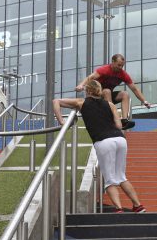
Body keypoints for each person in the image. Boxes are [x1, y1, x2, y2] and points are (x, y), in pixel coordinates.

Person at [54, 80, 146, 214]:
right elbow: (119, 125)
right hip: (120, 139)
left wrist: (62, 121)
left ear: (88, 91)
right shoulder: (110, 104)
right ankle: (138, 206)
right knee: (121, 176)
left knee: (109, 179)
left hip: (103, 141)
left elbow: (56, 101)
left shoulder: (81, 102)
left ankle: (119, 209)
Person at [75, 54, 151, 130]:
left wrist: (144, 101)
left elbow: (134, 89)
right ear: (113, 62)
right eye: (118, 65)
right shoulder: (105, 70)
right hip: (97, 97)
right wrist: (81, 85)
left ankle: (124, 120)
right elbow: (90, 77)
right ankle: (112, 118)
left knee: (125, 94)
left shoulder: (123, 74)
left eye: (122, 66)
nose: (120, 68)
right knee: (107, 91)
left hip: (108, 99)